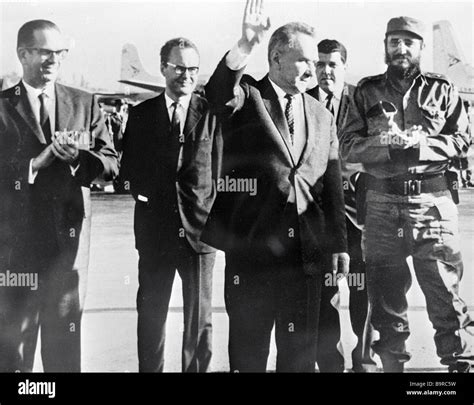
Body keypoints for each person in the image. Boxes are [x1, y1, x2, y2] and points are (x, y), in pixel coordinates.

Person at [203, 0, 349, 372]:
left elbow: (330, 184)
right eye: (304, 61)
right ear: (277, 57)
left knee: (298, 356)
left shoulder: (321, 113)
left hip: (306, 258)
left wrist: (339, 244)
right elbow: (218, 92)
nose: (313, 70)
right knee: (249, 354)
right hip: (253, 256)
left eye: (315, 62)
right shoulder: (249, 96)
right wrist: (244, 45)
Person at [340, 16, 474, 373]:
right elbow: (349, 147)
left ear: (420, 48)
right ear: (385, 45)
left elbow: (462, 139)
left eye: (408, 42)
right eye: (394, 42)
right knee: (386, 303)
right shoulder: (365, 91)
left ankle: (460, 371)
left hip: (433, 207)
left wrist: (421, 144)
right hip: (382, 206)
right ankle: (393, 370)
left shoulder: (442, 89)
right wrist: (383, 143)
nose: (401, 49)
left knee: (447, 299)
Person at [0, 19, 119, 372]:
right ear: (23, 54)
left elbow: (111, 164)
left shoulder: (84, 103)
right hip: (14, 247)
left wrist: (79, 161)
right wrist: (35, 164)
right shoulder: (3, 106)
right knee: (14, 349)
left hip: (69, 243)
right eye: (43, 52)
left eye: (59, 53)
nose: (53, 60)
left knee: (64, 346)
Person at [120, 38, 221, 372]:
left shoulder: (211, 113)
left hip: (200, 233)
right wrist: (144, 193)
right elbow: (128, 171)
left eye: (193, 69)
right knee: (151, 316)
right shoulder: (140, 115)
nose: (187, 76)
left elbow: (219, 169)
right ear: (163, 67)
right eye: (179, 68)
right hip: (154, 233)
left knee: (199, 320)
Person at [307, 39, 376, 372]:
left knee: (362, 290)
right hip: (317, 215)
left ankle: (362, 360)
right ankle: (330, 363)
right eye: (319, 64)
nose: (325, 71)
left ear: (344, 66)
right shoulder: (303, 101)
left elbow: (373, 148)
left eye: (332, 64)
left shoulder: (361, 101)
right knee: (322, 291)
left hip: (356, 213)